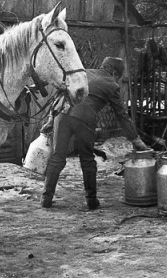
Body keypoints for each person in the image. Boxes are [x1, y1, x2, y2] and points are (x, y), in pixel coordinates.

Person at [40, 56, 148, 210]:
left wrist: (51, 120)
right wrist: (136, 139)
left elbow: (60, 94)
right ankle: (91, 200)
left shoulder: (83, 73)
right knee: (87, 159)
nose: (117, 81)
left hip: (62, 115)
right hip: (84, 118)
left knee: (57, 156)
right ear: (114, 73)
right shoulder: (111, 85)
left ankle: (46, 199)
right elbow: (121, 115)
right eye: (118, 77)